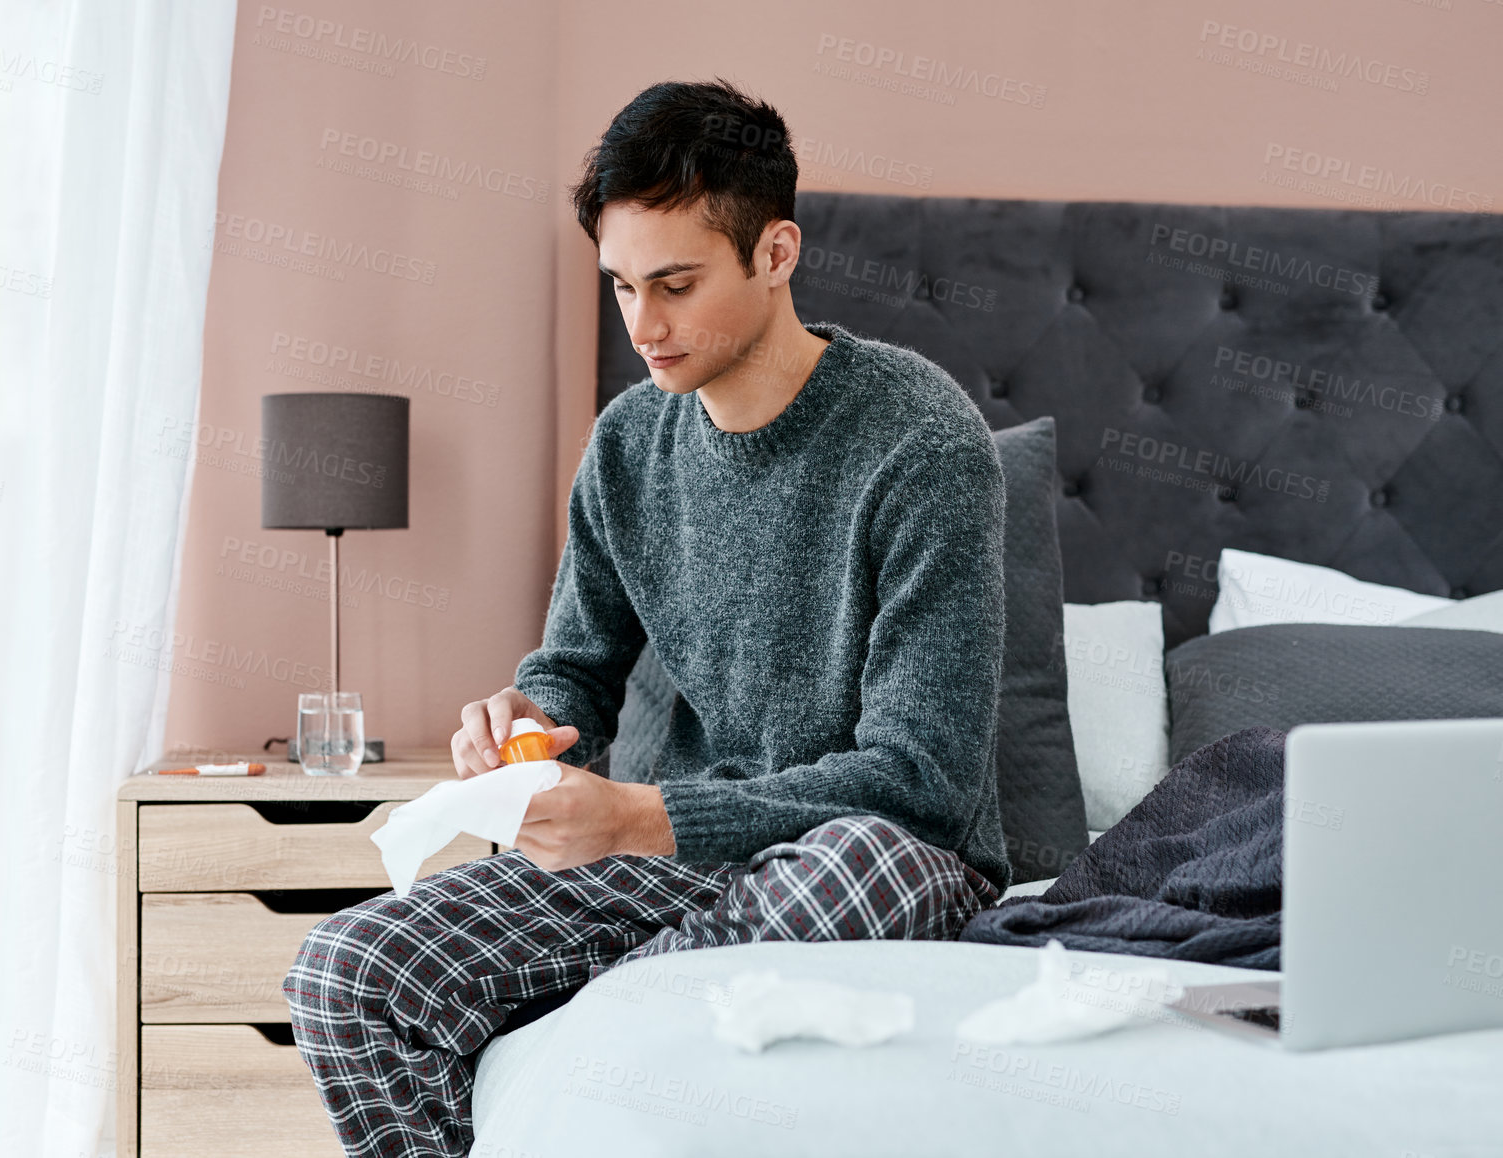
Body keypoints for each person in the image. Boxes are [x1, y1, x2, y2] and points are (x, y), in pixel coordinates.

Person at [285, 77, 1011, 1158]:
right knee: (342, 973)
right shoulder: (628, 445)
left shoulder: (923, 444)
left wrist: (637, 819)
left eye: (674, 284)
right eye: (622, 286)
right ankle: (643, 995)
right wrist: (522, 715)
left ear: (776, 253)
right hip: (669, 864)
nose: (644, 326)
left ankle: (594, 1018)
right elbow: (576, 669)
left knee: (872, 862)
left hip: (856, 858)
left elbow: (922, 781)